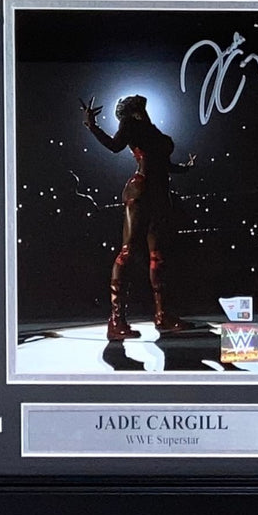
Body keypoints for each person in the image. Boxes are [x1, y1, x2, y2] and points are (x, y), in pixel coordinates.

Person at [81, 95, 196, 341]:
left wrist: (185, 168)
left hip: (158, 194)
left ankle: (162, 315)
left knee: (157, 256)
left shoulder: (151, 130)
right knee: (129, 250)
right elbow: (115, 146)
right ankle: (116, 320)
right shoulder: (131, 124)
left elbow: (163, 164)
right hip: (141, 192)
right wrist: (92, 126)